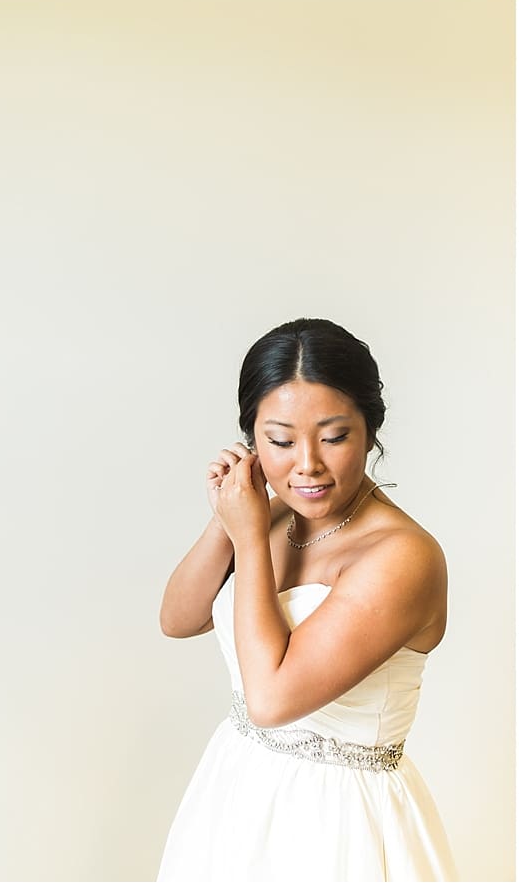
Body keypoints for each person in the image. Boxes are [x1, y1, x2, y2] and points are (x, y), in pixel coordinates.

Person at [157, 318, 457, 881]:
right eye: (280, 441)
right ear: (252, 441)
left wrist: (248, 538)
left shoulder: (403, 557)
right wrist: (226, 517)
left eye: (335, 436)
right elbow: (178, 618)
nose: (308, 464)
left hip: (339, 823)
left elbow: (270, 701)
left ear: (371, 430)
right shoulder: (268, 517)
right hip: (235, 792)